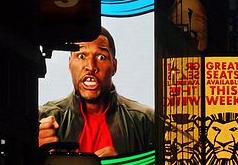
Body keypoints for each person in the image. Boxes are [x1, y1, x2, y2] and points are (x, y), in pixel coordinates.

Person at [38, 26, 154, 156]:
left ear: (114, 67)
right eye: (81, 56)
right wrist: (34, 151)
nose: (91, 66)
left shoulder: (146, 121)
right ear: (70, 64)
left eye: (101, 57)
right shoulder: (42, 118)